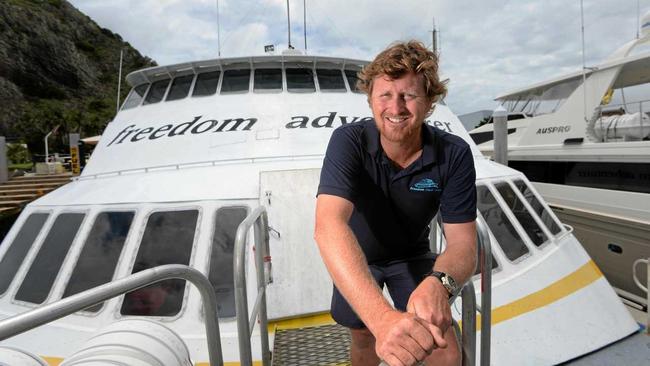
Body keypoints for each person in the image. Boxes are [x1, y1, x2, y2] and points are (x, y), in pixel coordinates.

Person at [314, 41, 477, 366]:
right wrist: (382, 319)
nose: (396, 106)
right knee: (364, 335)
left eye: (409, 95)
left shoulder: (453, 153)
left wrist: (440, 284)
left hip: (412, 254)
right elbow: (328, 226)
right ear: (371, 99)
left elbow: (463, 244)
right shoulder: (349, 142)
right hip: (359, 256)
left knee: (440, 339)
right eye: (385, 95)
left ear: (429, 102)